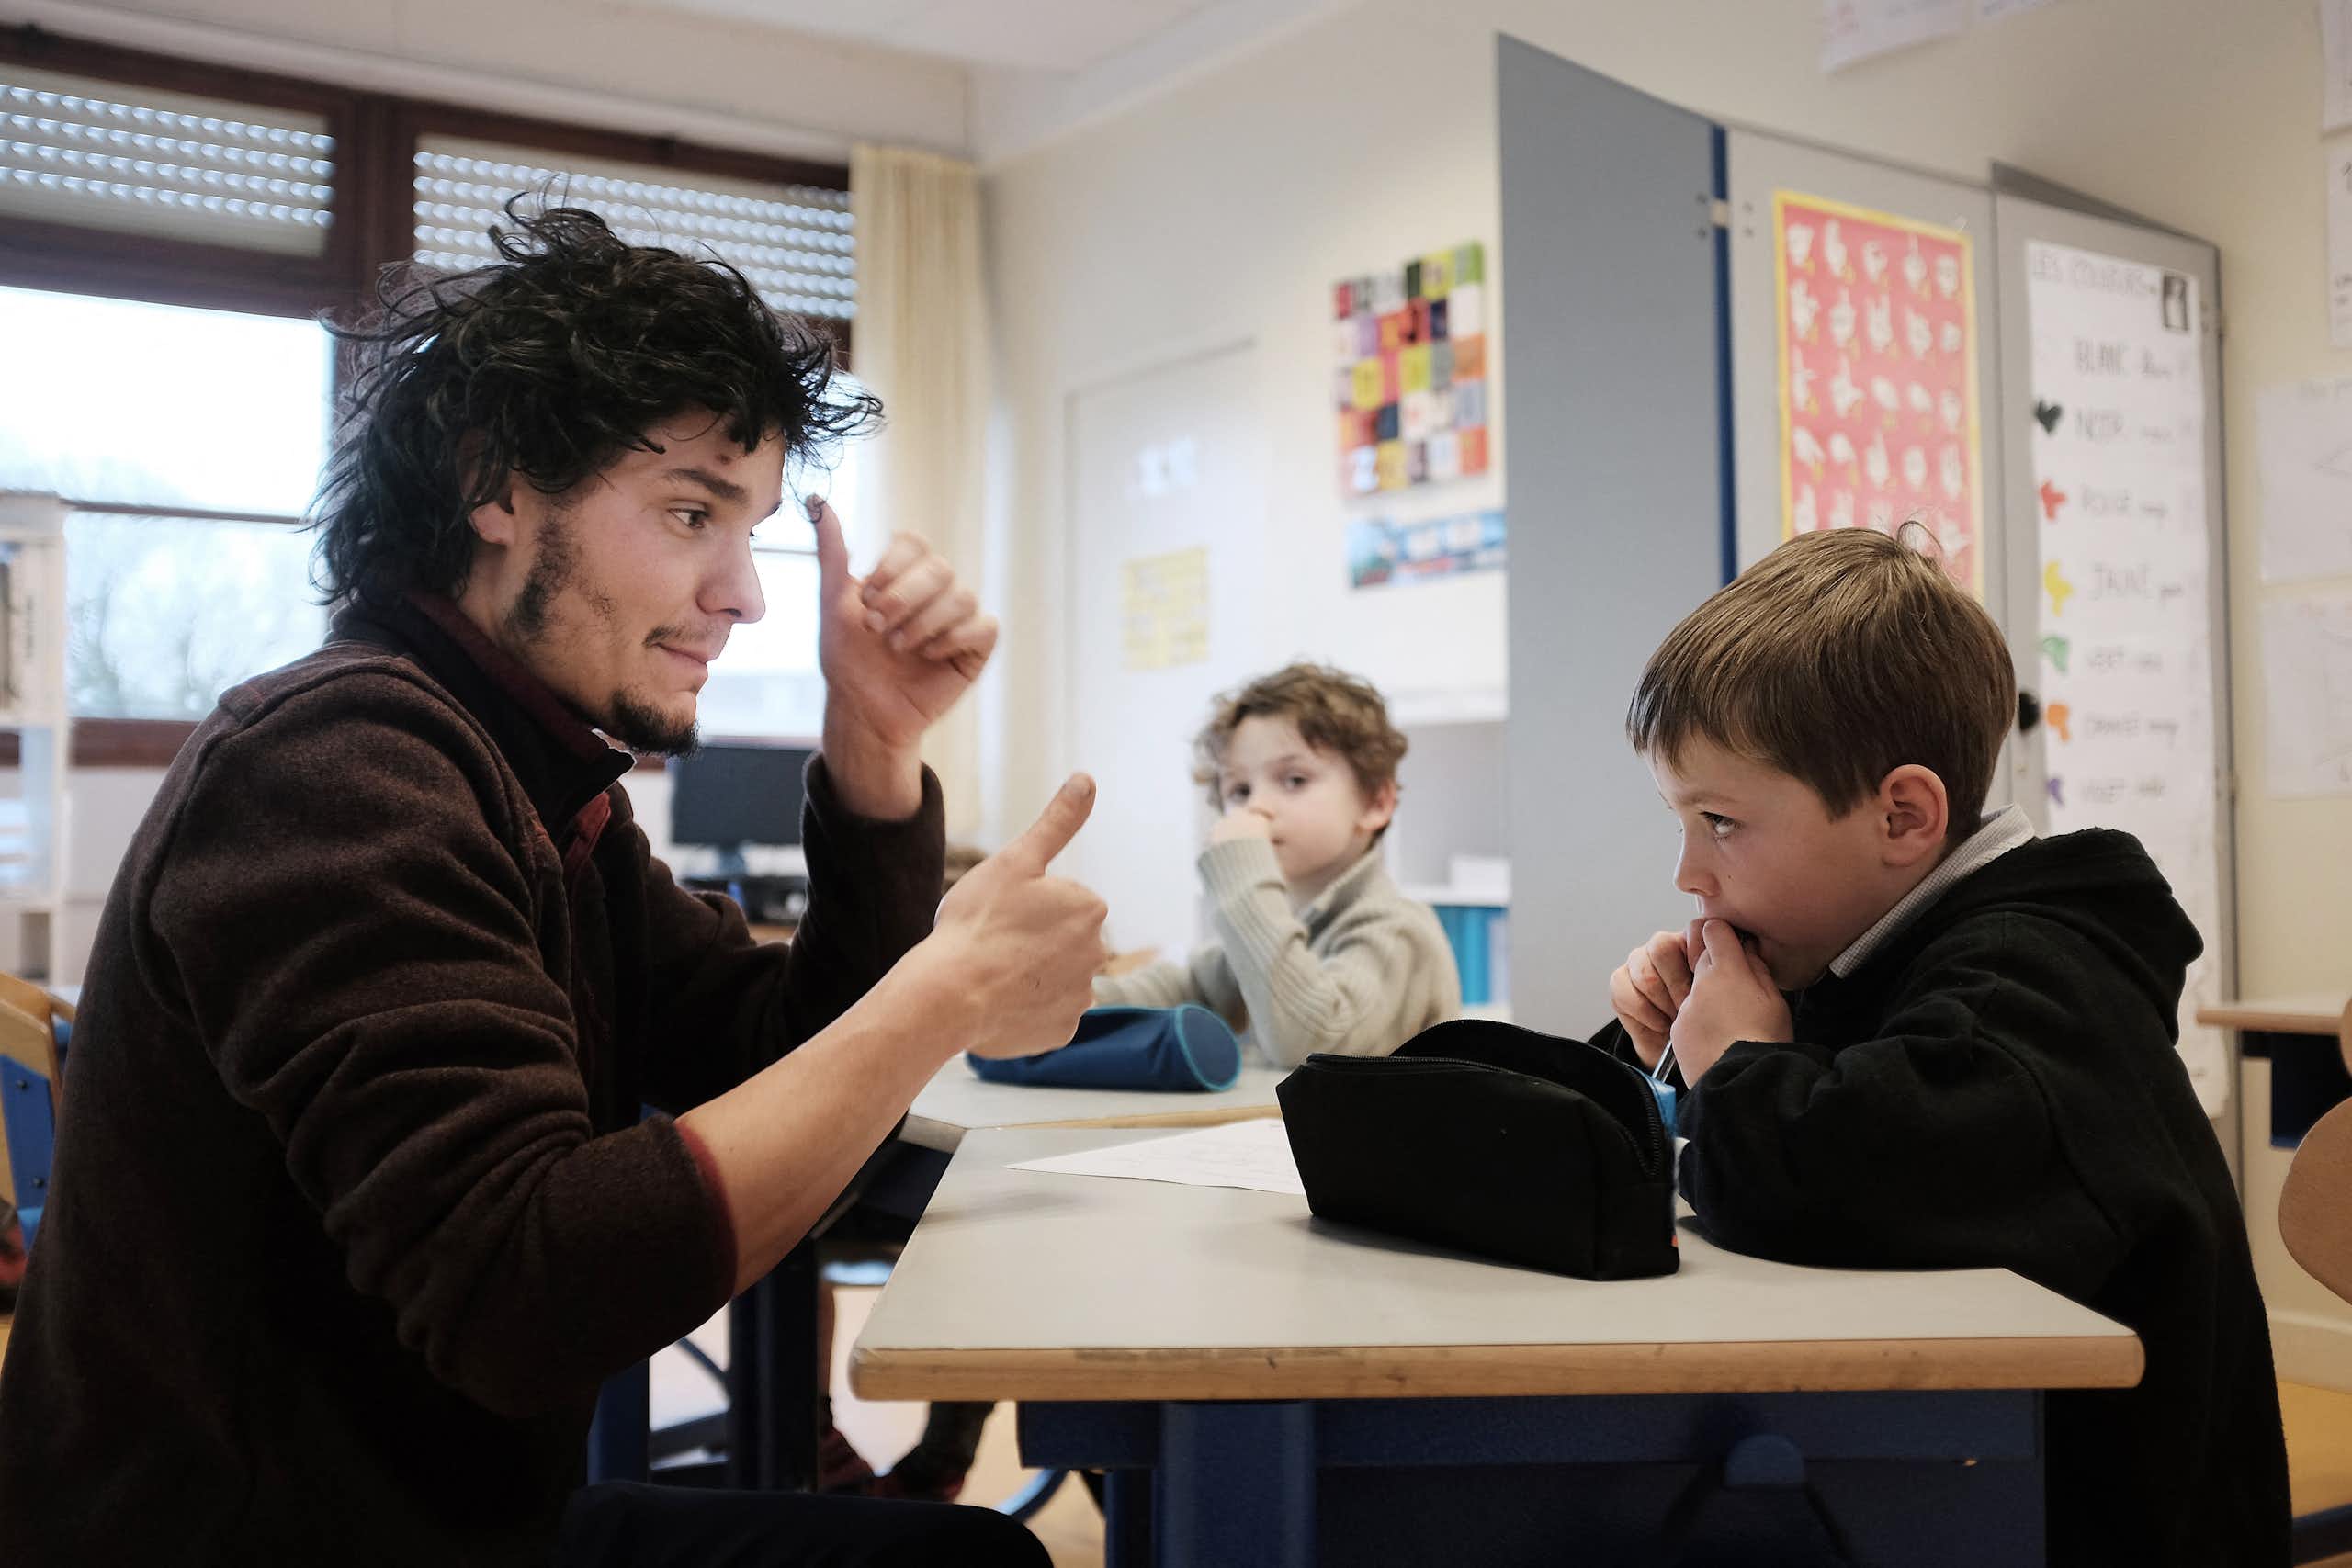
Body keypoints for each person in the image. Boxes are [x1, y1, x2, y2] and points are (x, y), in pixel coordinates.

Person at [0, 207, 1107, 1568]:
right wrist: (944, 991)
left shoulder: (527, 780)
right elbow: (528, 1293)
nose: (744, 595)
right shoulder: (337, 763)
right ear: (498, 487)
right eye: (692, 513)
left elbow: (787, 1061)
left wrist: (874, 749)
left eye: (752, 530)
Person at [1599, 525, 2288, 1566]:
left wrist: (1737, 1064)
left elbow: (1823, 1183)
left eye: (1721, 822)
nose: (1688, 873)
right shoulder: (1854, 948)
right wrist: (1662, 1044)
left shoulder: (2030, 981)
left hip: (2088, 1530)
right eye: (1681, 821)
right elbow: (1741, 1129)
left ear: (1903, 818)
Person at [1095, 661, 1458, 1067]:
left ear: (1376, 802)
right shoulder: (1286, 926)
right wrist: (1070, 1004)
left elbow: (1312, 1046)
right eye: (1240, 790)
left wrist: (1244, 876)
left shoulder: (1397, 931)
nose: (1258, 806)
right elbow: (1185, 988)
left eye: (1294, 780)